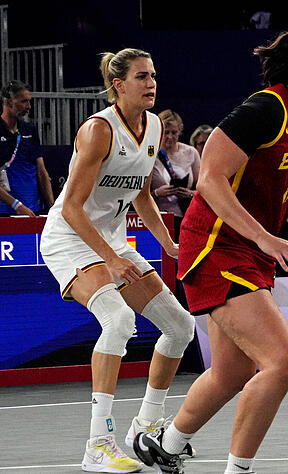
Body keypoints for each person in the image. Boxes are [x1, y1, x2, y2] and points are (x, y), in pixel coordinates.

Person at [133, 30, 288, 474]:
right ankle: (238, 469)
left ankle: (164, 443)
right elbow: (210, 179)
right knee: (284, 359)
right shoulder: (265, 109)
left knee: (231, 372)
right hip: (214, 245)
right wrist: (263, 236)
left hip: (251, 252)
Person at [38, 48, 195, 473]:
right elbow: (72, 208)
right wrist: (110, 260)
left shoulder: (154, 126)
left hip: (110, 240)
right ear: (118, 85)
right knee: (119, 320)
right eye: (142, 76)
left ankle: (145, 426)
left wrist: (168, 243)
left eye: (153, 75)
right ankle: (97, 444)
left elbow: (142, 194)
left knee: (180, 326)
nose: (151, 83)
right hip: (69, 240)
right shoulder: (98, 130)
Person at [0, 80, 54, 216]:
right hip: (4, 211)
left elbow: (41, 171)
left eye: (29, 101)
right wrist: (16, 205)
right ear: (8, 102)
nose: (29, 106)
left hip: (32, 210)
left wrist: (53, 208)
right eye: (24, 101)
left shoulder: (30, 130)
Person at [150, 109, 200, 236]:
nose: (170, 137)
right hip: (160, 218)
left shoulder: (191, 152)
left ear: (180, 131)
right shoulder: (150, 153)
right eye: (166, 132)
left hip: (188, 217)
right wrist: (157, 193)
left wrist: (190, 194)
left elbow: (204, 190)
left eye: (174, 132)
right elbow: (138, 194)